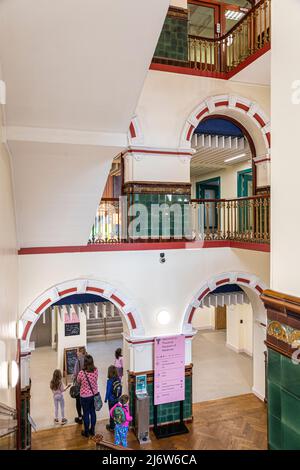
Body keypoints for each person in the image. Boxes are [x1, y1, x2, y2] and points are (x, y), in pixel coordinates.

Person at [77, 354, 99, 437]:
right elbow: (96, 379)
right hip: (94, 395)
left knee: (86, 413)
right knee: (93, 412)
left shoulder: (81, 373)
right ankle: (92, 430)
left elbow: (78, 382)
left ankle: (86, 432)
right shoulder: (96, 370)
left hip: (84, 397)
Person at [104, 365, 122, 431]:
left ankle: (112, 426)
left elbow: (108, 391)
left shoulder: (109, 381)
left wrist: (106, 399)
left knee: (111, 413)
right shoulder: (119, 379)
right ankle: (118, 425)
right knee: (117, 412)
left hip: (111, 400)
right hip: (117, 399)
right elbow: (120, 388)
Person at [73, 346, 87, 424]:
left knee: (78, 401)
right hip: (87, 384)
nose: (76, 353)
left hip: (79, 384)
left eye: (78, 351)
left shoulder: (78, 361)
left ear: (81, 352)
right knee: (85, 401)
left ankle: (80, 417)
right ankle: (85, 415)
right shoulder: (88, 359)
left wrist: (73, 378)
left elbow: (75, 374)